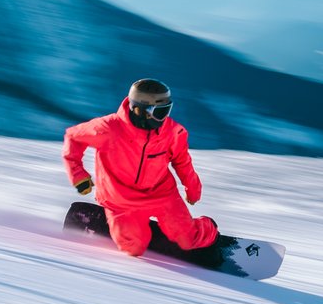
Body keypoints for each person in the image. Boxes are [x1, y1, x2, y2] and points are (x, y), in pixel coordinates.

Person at [63, 78, 219, 257]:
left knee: (188, 239)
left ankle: (208, 227)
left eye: (167, 110)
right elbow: (73, 137)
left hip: (161, 194)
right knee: (133, 248)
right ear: (140, 109)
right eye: (160, 112)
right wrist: (78, 176)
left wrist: (193, 189)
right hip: (121, 198)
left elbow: (182, 161)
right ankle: (120, 225)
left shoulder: (173, 132)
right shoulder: (109, 128)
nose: (165, 117)